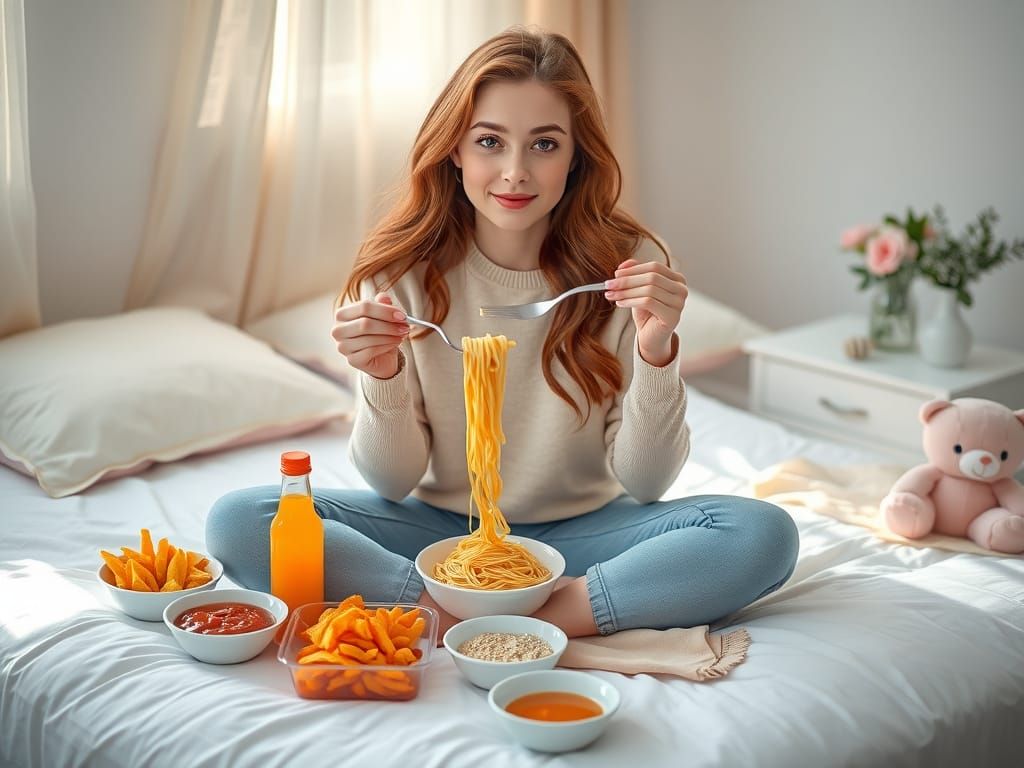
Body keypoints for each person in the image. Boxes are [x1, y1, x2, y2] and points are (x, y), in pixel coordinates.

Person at [206, 27, 798, 639]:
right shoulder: (398, 275)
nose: (515, 172)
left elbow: (646, 482)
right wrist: (381, 374)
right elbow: (391, 482)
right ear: (455, 148)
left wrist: (656, 352)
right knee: (241, 518)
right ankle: (438, 613)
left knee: (762, 533)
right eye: (490, 141)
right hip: (437, 533)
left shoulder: (624, 267)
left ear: (576, 156)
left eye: (545, 143)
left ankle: (545, 618)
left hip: (585, 534)